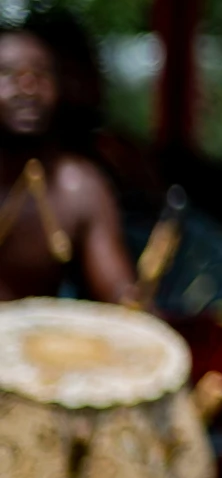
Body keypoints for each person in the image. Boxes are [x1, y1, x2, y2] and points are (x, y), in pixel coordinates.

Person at [0, 19, 137, 304]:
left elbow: (120, 296)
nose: (27, 87)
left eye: (41, 74)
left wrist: (139, 310)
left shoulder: (79, 187)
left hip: (34, 344)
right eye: (8, 73)